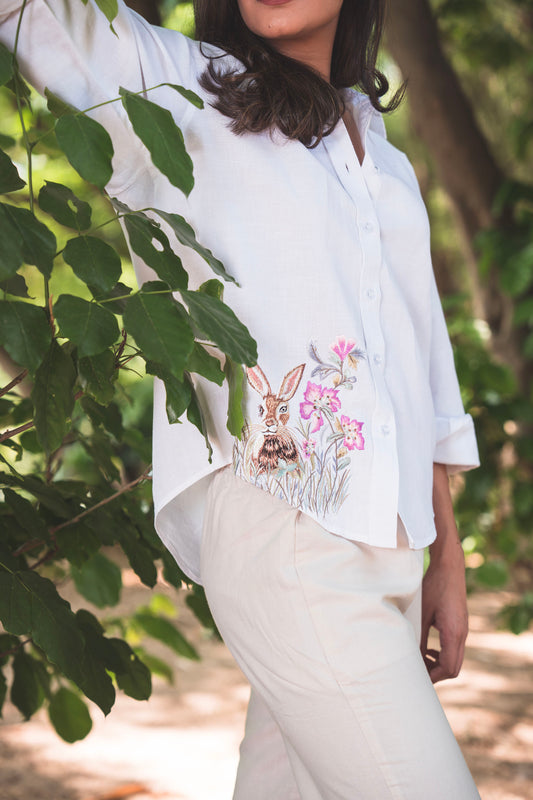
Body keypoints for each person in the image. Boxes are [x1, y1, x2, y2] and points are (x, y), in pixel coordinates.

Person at [0, 0, 482, 796]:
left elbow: (415, 359)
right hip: (285, 529)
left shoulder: (380, 152)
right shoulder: (174, 85)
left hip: (393, 544)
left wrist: (446, 558)